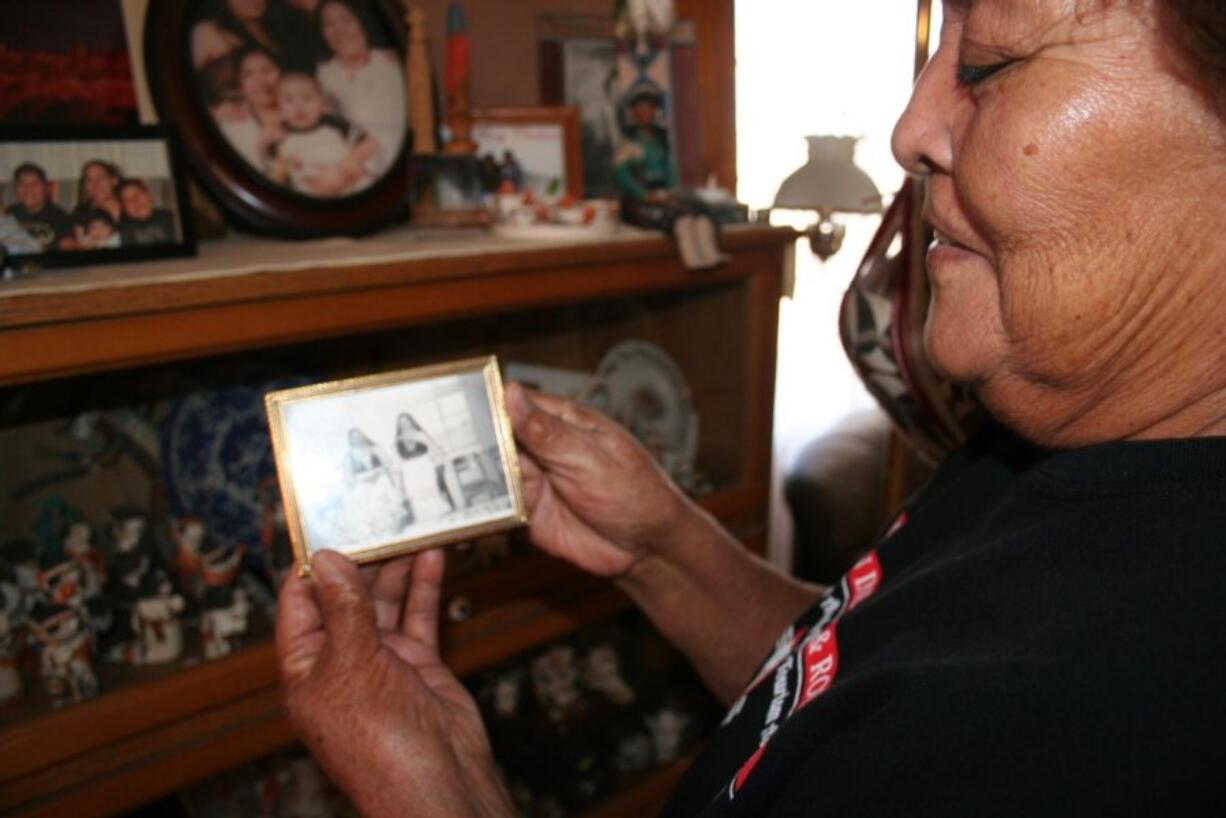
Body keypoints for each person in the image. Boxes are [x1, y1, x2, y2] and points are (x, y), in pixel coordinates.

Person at [275, 2, 1226, 816]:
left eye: (992, 57)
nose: (910, 128)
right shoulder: (1062, 435)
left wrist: (439, 798)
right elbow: (848, 686)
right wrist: (664, 548)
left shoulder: (1122, 732)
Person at [314, 0, 406, 179]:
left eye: (347, 20)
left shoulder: (391, 66)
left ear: (363, 22)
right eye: (329, 24)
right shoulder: (323, 74)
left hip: (389, 166)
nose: (339, 30)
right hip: (345, 166)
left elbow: (398, 131)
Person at [272, 71, 377, 196]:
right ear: (278, 106)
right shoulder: (279, 136)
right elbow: (277, 173)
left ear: (321, 103)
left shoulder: (334, 124)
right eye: (289, 100)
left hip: (350, 181)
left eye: (307, 98)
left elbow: (370, 142)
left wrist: (351, 161)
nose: (299, 107)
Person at [216, 47, 287, 173]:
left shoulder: (309, 110)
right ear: (240, 84)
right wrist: (262, 149)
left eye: (266, 70)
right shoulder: (233, 126)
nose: (260, 81)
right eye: (248, 74)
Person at [342, 428, 412, 542]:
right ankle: (377, 532)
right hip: (364, 484)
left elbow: (388, 463)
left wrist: (378, 472)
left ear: (363, 436)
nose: (357, 439)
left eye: (359, 436)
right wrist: (364, 478)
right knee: (369, 506)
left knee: (389, 502)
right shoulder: (349, 456)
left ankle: (393, 530)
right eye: (354, 437)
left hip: (381, 479)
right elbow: (348, 476)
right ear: (351, 440)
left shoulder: (375, 449)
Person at [393, 412, 463, 522]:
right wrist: (400, 488)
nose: (405, 425)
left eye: (407, 422)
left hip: (427, 472)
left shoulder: (422, 436)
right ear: (399, 426)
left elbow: (436, 454)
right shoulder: (397, 443)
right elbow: (398, 468)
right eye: (402, 423)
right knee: (420, 509)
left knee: (437, 503)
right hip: (411, 478)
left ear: (412, 422)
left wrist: (424, 440)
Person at [6, 163, 75, 252]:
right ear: (15, 189)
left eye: (34, 184)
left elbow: (69, 250)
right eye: (22, 184)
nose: (28, 189)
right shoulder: (7, 215)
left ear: (46, 188)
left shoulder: (61, 218)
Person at [116, 179, 177, 247]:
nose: (135, 201)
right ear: (123, 207)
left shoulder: (172, 218)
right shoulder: (120, 230)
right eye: (127, 199)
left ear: (148, 194)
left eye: (137, 194)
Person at [71, 160, 123, 228]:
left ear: (114, 181)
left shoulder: (130, 206)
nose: (95, 184)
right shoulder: (81, 212)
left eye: (101, 178)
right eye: (89, 179)